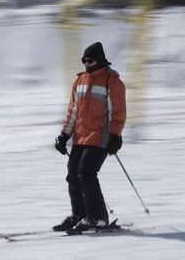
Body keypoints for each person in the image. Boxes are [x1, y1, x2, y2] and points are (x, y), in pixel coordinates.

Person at [53, 42, 126, 232]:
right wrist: (64, 135)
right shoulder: (80, 81)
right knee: (72, 175)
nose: (86, 64)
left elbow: (118, 112)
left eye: (90, 60)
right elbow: (73, 113)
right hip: (80, 137)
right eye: (84, 60)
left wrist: (115, 136)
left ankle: (98, 217)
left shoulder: (112, 81)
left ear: (100, 61)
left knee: (86, 172)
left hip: (100, 137)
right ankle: (81, 215)